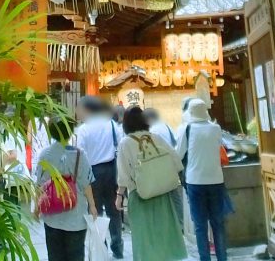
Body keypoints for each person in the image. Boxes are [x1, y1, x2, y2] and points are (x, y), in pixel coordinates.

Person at [115, 107, 186, 261]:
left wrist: (119, 195)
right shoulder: (155, 138)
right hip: (162, 194)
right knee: (164, 236)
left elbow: (123, 175)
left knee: (144, 239)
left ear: (126, 123)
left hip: (140, 195)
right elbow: (177, 161)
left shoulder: (125, 143)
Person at [35, 116, 98, 261]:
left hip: (52, 217)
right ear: (70, 133)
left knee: (55, 255)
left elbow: (40, 185)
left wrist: (36, 209)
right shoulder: (79, 155)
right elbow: (86, 184)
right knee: (76, 255)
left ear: (51, 133)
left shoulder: (45, 155)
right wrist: (92, 206)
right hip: (76, 218)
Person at [176, 99, 230, 261]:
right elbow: (220, 146)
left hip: (195, 182)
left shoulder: (187, 129)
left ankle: (205, 258)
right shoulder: (216, 128)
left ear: (190, 113)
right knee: (218, 224)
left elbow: (178, 155)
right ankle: (222, 258)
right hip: (216, 180)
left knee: (200, 226)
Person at [75, 95, 125, 259]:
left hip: (92, 172)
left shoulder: (83, 130)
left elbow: (79, 154)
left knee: (94, 210)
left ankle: (101, 247)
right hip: (112, 170)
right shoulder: (111, 125)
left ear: (87, 109)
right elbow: (121, 144)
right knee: (114, 211)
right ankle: (118, 248)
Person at [145, 108, 185, 229]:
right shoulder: (165, 126)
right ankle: (180, 221)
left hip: (160, 166)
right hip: (170, 165)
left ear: (148, 119)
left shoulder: (153, 131)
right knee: (174, 194)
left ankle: (172, 223)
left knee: (164, 196)